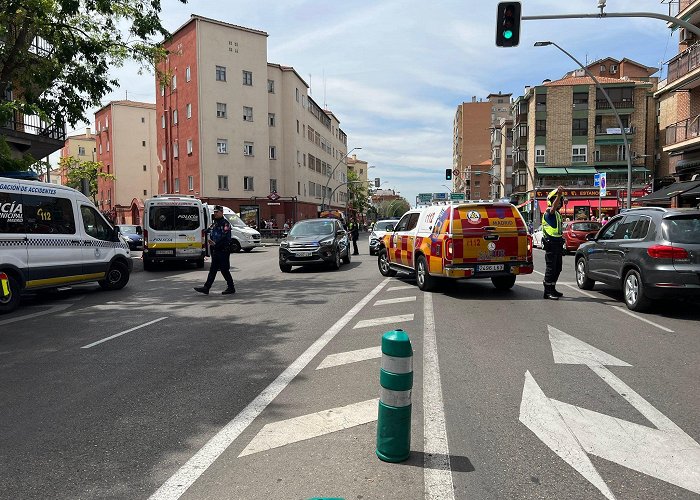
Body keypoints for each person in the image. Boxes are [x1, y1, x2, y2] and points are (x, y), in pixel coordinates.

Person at [194, 206, 235, 295]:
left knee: (224, 270)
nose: (215, 213)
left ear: (221, 212)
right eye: (214, 212)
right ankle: (206, 287)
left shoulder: (226, 224)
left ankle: (231, 287)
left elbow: (224, 236)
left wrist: (215, 243)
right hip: (216, 250)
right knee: (213, 270)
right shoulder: (214, 223)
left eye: (217, 212)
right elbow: (207, 230)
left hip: (223, 250)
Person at [542, 187, 565, 300]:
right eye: (558, 200)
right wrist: (559, 194)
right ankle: (547, 291)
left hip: (558, 243)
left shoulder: (557, 214)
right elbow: (553, 208)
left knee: (558, 268)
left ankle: (553, 288)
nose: (560, 202)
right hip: (551, 243)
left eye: (560, 201)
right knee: (551, 268)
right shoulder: (549, 212)